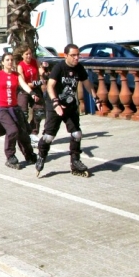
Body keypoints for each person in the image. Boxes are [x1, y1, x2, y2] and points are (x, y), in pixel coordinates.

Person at [35, 44, 100, 178]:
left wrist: (96, 98)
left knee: (77, 134)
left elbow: (87, 83)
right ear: (66, 55)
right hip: (55, 106)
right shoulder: (59, 67)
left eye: (78, 55)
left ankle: (75, 162)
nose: (77, 58)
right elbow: (50, 86)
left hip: (70, 106)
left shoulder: (79, 68)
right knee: (49, 137)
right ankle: (41, 155)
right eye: (73, 55)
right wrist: (56, 103)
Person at [0, 52, 37, 170]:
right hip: (2, 109)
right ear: (3, 62)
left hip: (14, 108)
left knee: (23, 133)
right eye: (7, 60)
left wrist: (32, 93)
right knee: (12, 130)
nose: (10, 62)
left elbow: (24, 85)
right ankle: (10, 157)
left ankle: (29, 154)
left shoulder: (16, 75)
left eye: (11, 60)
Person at [16, 47, 45, 139]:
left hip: (35, 89)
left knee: (39, 111)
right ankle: (23, 133)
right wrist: (35, 83)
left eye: (30, 53)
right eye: (26, 54)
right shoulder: (20, 66)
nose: (29, 56)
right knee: (23, 113)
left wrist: (45, 74)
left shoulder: (35, 62)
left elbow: (41, 72)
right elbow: (23, 82)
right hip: (23, 90)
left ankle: (34, 132)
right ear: (22, 55)